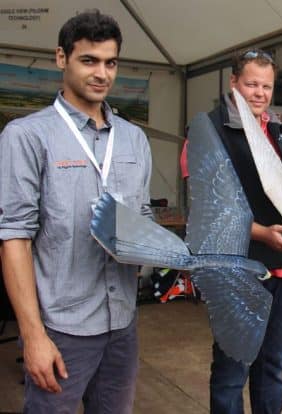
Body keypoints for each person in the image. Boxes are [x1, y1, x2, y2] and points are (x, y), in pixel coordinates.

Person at [0, 10, 152, 414]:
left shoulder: (134, 140)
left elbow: (142, 221)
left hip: (122, 325)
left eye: (110, 62)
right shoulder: (27, 136)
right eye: (89, 60)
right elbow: (14, 237)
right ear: (61, 58)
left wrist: (166, 249)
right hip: (62, 330)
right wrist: (33, 336)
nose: (101, 73)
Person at [182, 48, 282, 413]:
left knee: (272, 369)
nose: (259, 93)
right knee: (231, 372)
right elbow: (207, 211)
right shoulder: (207, 133)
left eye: (266, 86)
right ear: (233, 82)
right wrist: (261, 233)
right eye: (251, 84)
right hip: (236, 274)